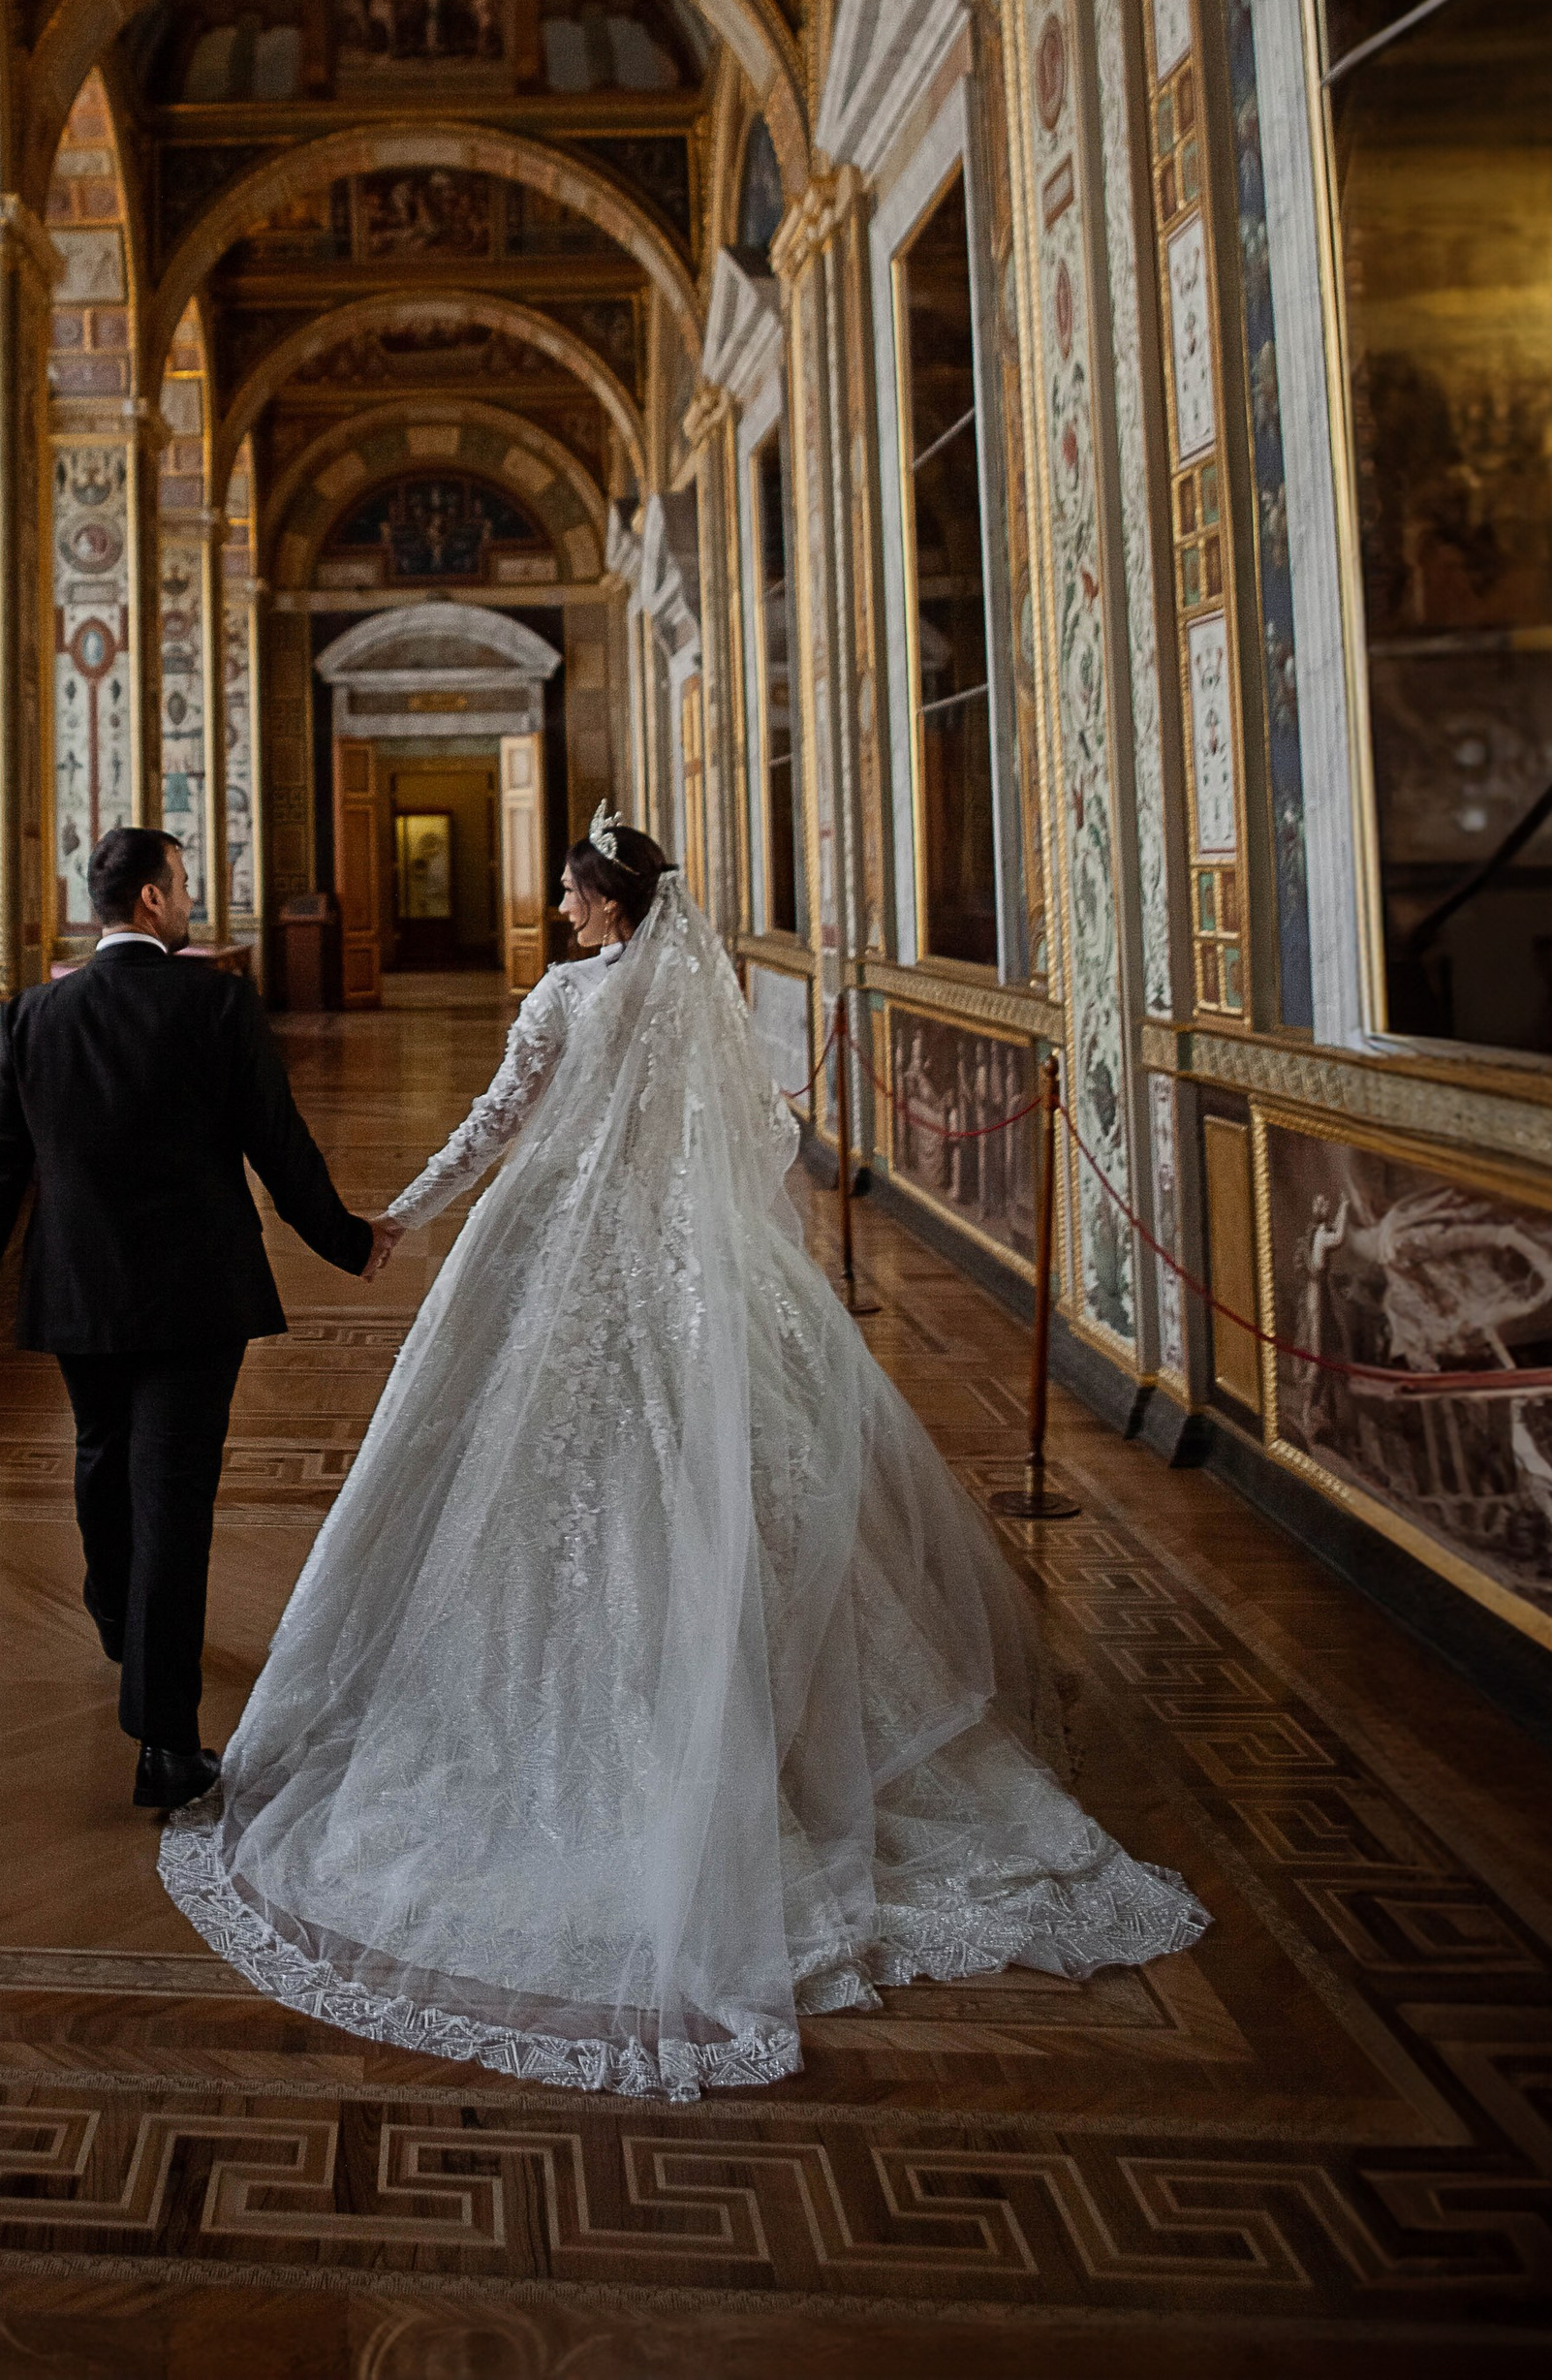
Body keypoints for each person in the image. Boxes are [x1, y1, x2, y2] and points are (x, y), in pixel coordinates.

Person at [160, 812, 1208, 2099]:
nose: (558, 906)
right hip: (680, 1262)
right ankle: (749, 1707)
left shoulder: (565, 996)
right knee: (719, 1469)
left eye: (570, 890)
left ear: (608, 902)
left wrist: (404, 1220)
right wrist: (684, 1219)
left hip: (563, 1245)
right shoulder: (687, 985)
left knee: (544, 1472)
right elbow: (756, 1130)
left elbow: (497, 1121)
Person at [0, 825, 387, 1813]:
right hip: (196, 1290)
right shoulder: (214, 1002)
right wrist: (348, 1241)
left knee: (102, 1451)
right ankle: (166, 1742)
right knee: (173, 1493)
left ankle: (115, 1611)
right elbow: (277, 1142)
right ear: (150, 898)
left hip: (77, 1286)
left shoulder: (33, 1014)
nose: (188, 900)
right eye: (181, 884)